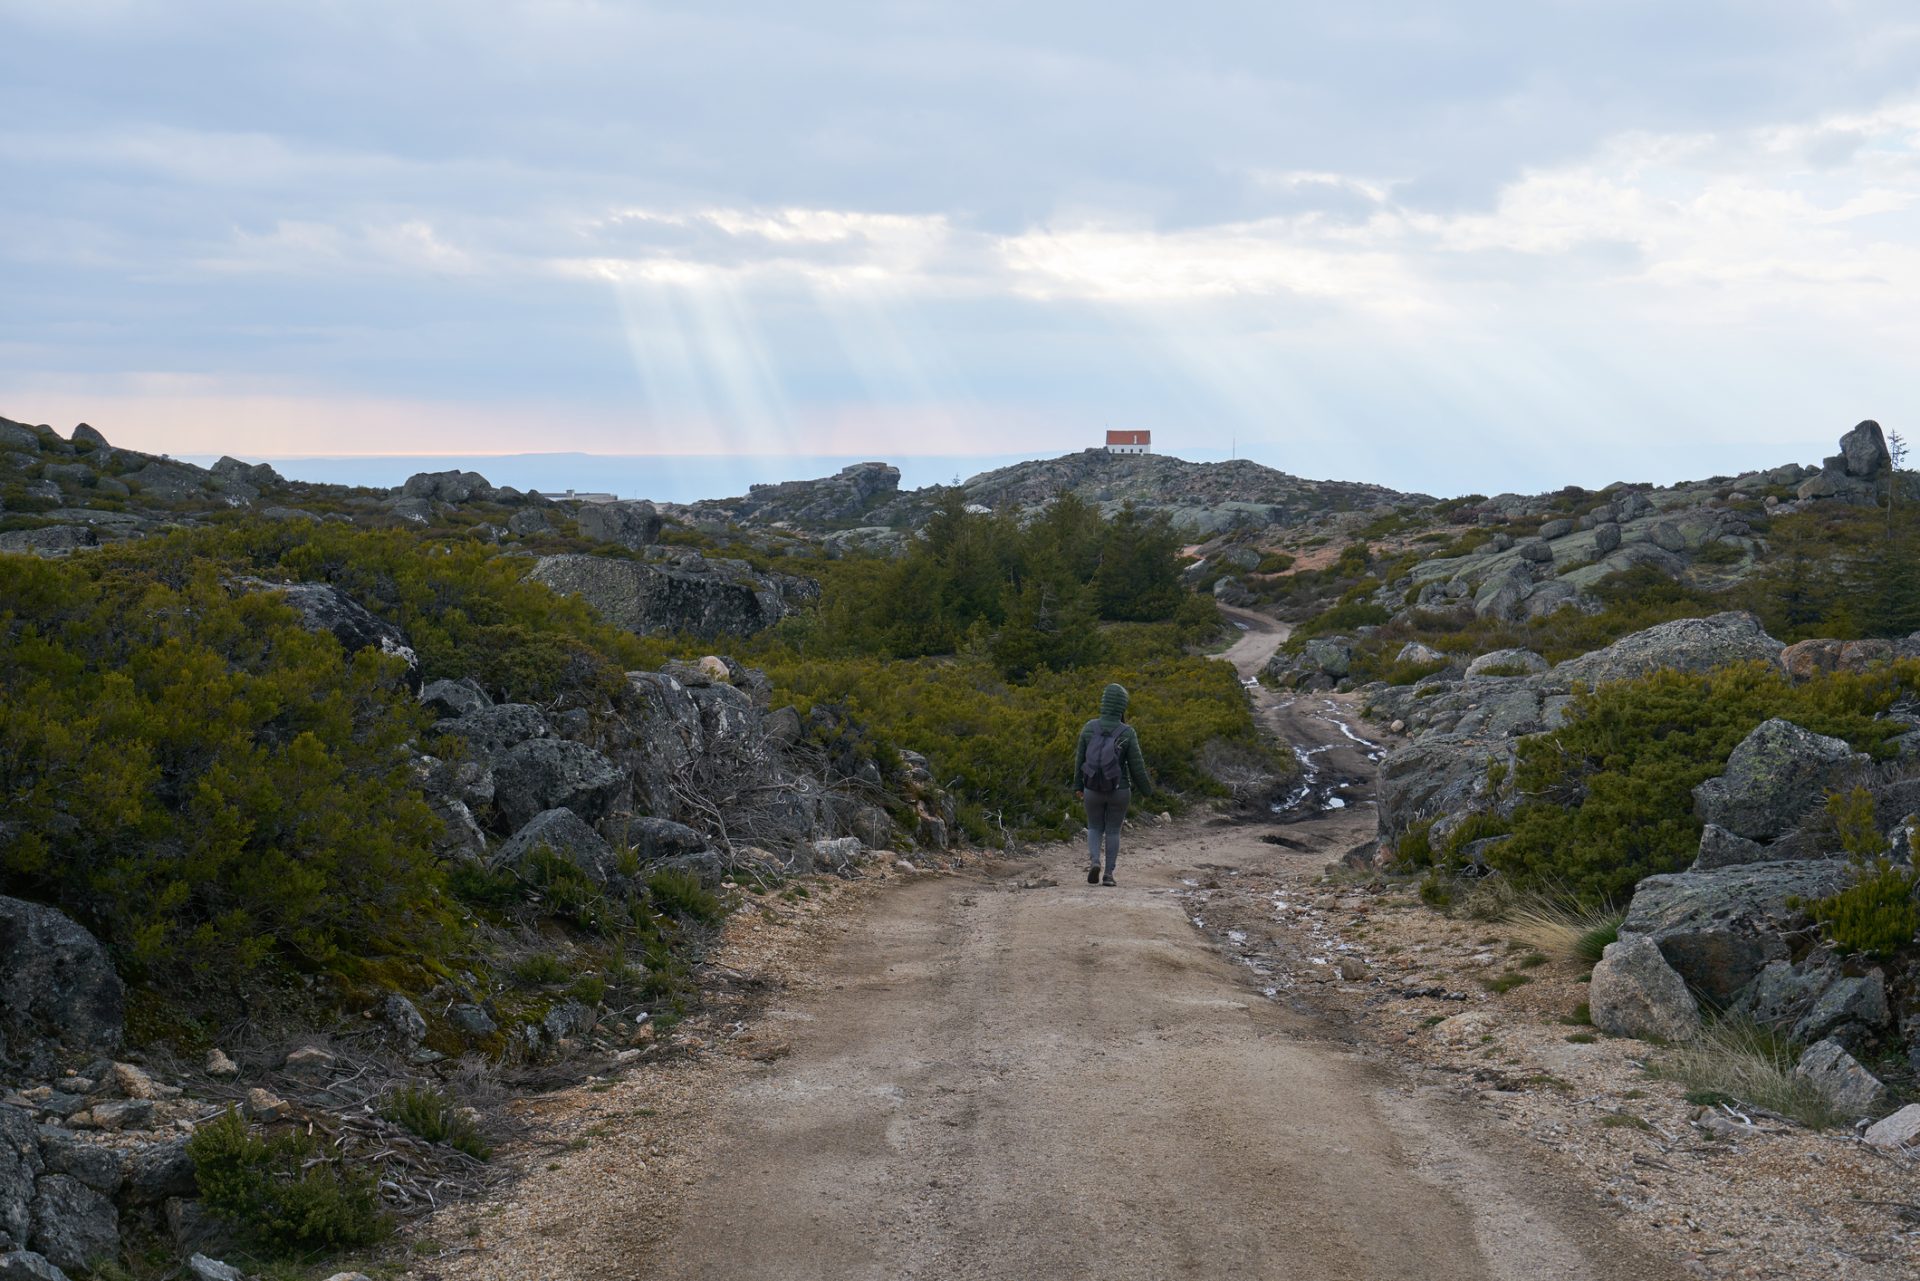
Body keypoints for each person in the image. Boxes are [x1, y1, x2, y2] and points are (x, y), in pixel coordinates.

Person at [1073, 682, 1152, 886]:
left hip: (1092, 789)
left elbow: (1079, 760)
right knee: (1113, 830)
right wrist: (1147, 790)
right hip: (1119, 790)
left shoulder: (1089, 727)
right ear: (1122, 706)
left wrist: (1078, 787)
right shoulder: (1127, 732)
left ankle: (1094, 861)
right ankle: (1108, 875)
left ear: (1103, 703)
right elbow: (1137, 766)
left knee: (1094, 827)